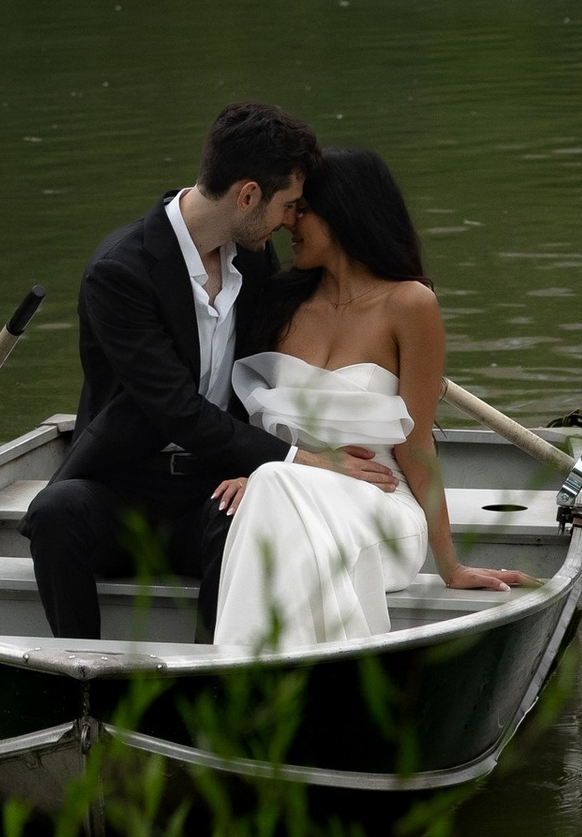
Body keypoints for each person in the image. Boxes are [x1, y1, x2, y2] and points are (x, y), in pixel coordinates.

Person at [27, 101, 342, 643]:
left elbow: (279, 362)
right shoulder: (119, 273)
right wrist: (294, 460)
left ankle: (208, 690)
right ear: (247, 195)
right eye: (287, 205)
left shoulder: (253, 256)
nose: (292, 220)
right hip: (126, 487)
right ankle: (81, 680)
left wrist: (265, 473)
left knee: (246, 516)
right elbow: (175, 408)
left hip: (213, 487)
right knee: (56, 513)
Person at [209, 145, 529, 658]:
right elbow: (257, 430)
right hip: (286, 492)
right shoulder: (279, 300)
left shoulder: (409, 304)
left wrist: (449, 563)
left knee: (271, 479)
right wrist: (271, 472)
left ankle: (244, 676)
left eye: (303, 208)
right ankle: (284, 675)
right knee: (269, 479)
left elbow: (416, 441)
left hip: (382, 508)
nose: (290, 221)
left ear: (343, 212)